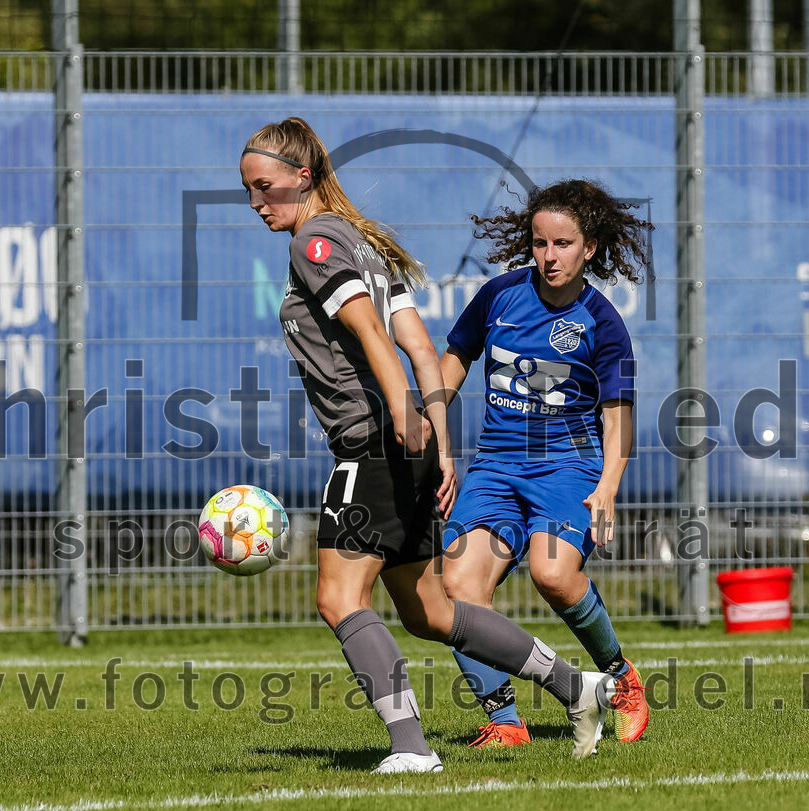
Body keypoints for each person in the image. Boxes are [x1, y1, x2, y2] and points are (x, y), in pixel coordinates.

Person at [240, 119, 614, 773]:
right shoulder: (364, 243)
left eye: (265, 187)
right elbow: (419, 344)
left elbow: (381, 342)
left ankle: (411, 749)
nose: (256, 203)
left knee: (339, 599)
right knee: (432, 611)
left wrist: (400, 415)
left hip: (372, 445)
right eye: (248, 190)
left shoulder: (316, 244)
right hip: (406, 446)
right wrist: (438, 445)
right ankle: (574, 687)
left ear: (303, 178)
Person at [439, 179, 652, 749]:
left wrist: (608, 487)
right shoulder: (500, 296)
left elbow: (617, 415)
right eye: (539, 243)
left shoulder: (603, 323)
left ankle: (619, 677)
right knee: (458, 585)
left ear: (591, 249)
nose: (549, 256)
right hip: (497, 469)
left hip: (569, 470)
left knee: (553, 573)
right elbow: (457, 354)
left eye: (562, 244)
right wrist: (430, 423)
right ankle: (504, 722)